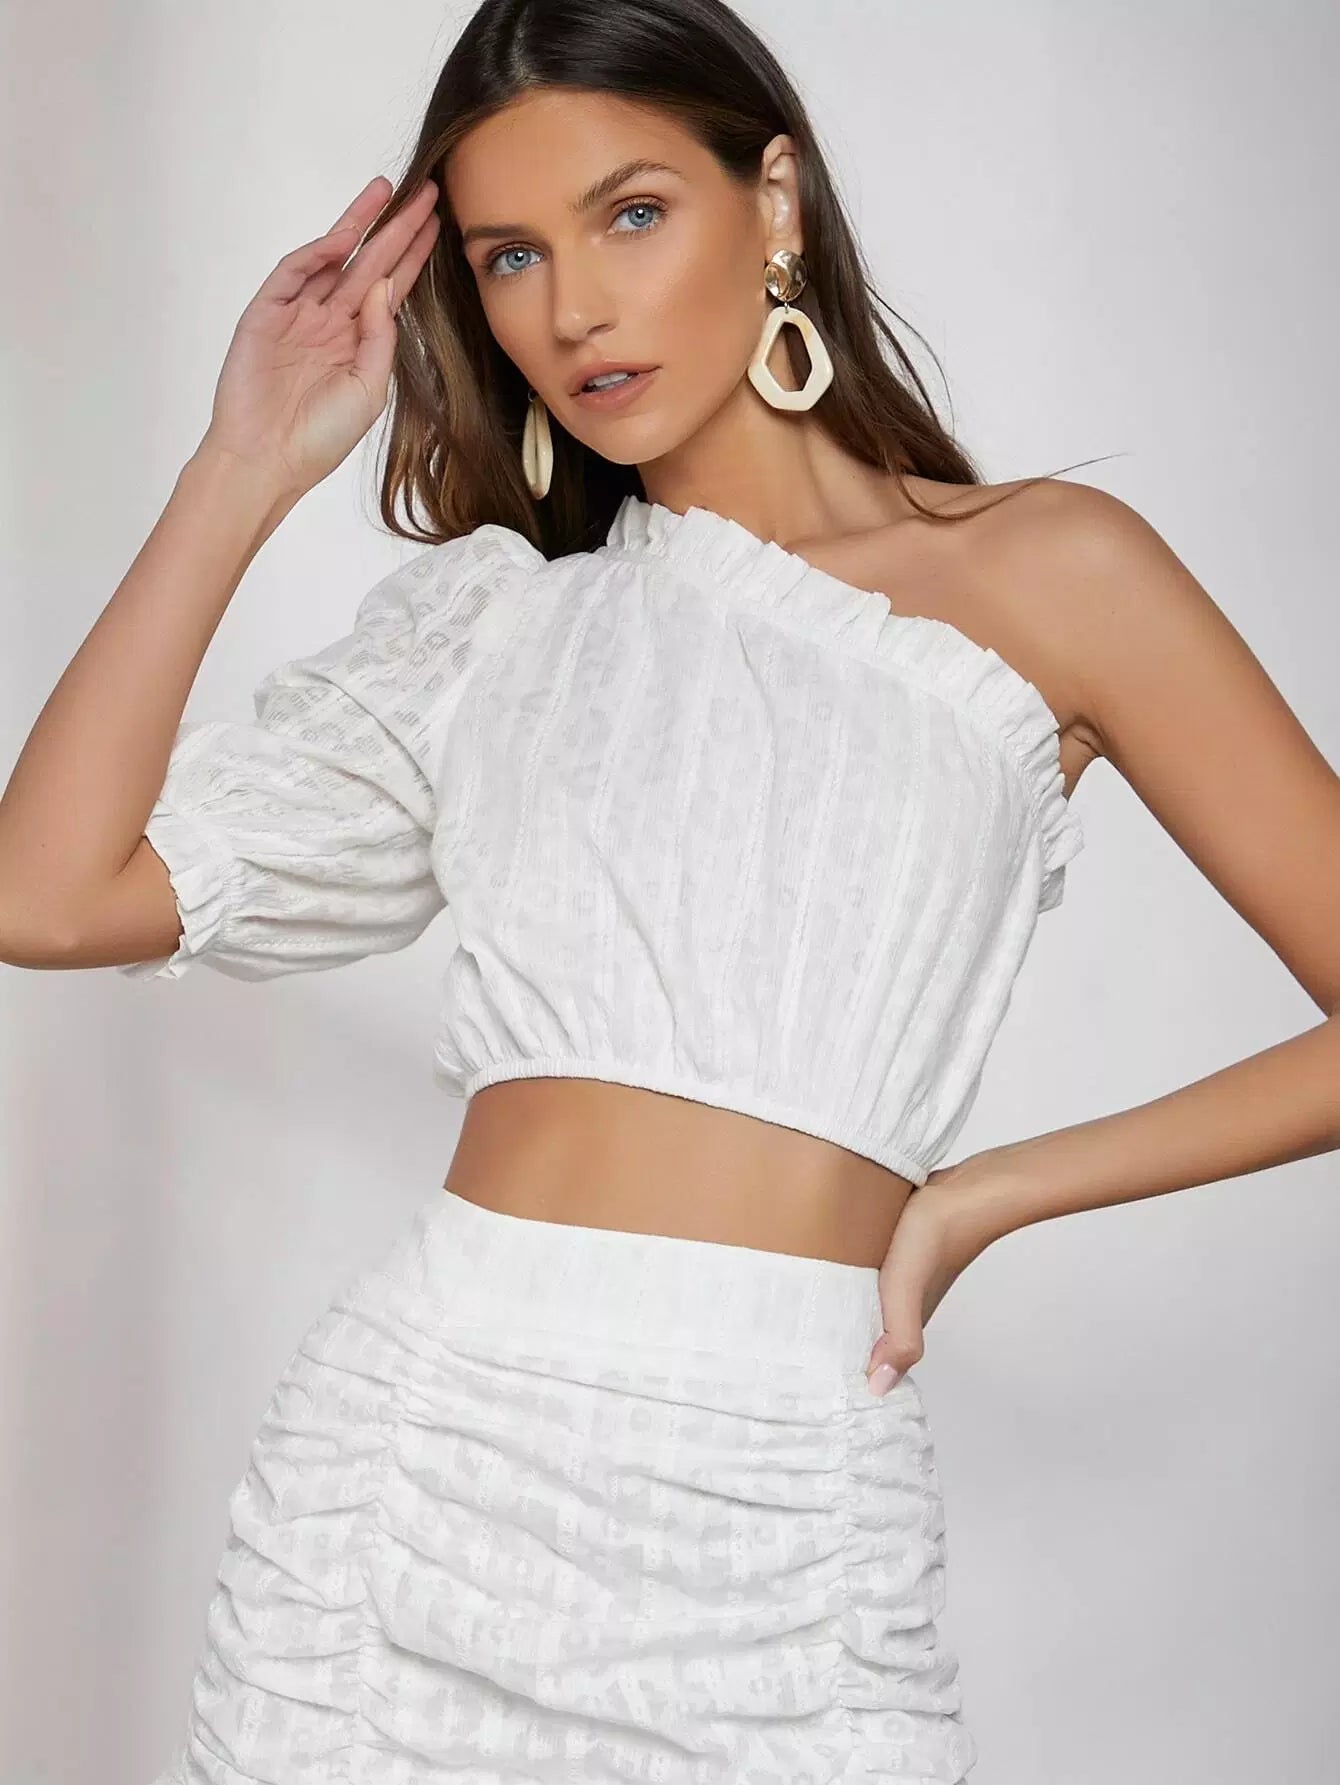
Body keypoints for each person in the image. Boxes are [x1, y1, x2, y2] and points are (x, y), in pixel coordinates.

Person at [4, 1, 1337, 1779]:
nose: (573, 309)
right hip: (416, 1487)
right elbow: (47, 893)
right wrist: (240, 467)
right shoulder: (497, 627)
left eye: (632, 213)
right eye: (510, 256)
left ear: (772, 199)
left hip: (783, 1504)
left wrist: (987, 1194)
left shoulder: (1051, 574)